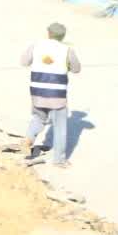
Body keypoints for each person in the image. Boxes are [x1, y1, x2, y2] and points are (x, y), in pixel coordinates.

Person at [20, 22, 81, 168]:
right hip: (57, 95)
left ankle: (28, 138)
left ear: (48, 33)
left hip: (37, 92)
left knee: (39, 117)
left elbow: (24, 62)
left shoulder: (35, 46)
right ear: (63, 36)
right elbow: (76, 69)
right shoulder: (67, 50)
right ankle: (59, 160)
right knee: (60, 127)